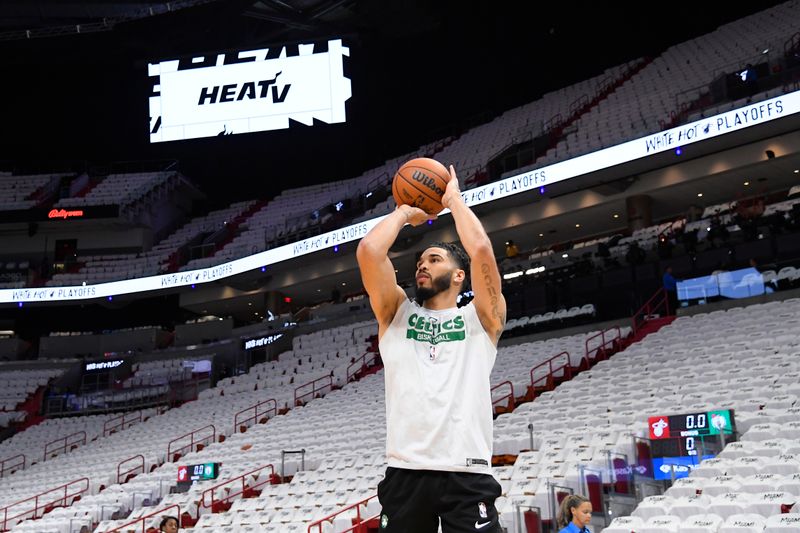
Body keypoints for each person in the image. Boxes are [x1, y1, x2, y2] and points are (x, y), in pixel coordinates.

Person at [357, 164, 505, 533]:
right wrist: (404, 212)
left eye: (434, 259)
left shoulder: (482, 319)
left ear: (460, 275)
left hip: (467, 472)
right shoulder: (396, 313)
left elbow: (482, 249)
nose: (422, 265)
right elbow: (369, 251)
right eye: (420, 261)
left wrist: (452, 199)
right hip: (406, 470)